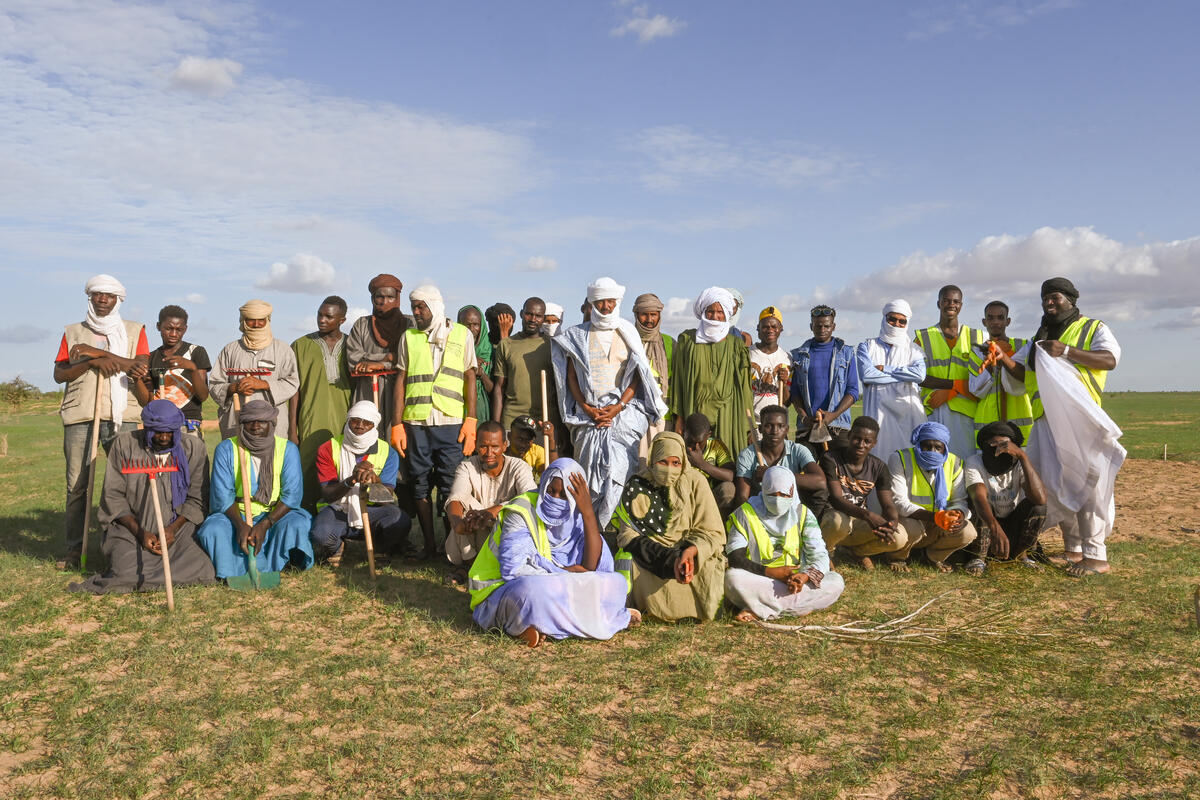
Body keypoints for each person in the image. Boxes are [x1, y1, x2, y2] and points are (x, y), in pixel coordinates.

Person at [1009, 277, 1122, 577]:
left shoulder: (1093, 328)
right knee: (1055, 483)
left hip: (1080, 421)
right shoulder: (1039, 337)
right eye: (1045, 298)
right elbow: (1020, 372)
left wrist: (1067, 351)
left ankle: (1096, 557)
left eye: (1055, 297)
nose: (1049, 302)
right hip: (1046, 421)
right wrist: (1001, 360)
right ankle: (1073, 548)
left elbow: (1109, 360)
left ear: (1071, 300)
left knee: (1088, 485)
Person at [469, 458, 637, 647]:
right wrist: (566, 574)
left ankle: (541, 625)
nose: (555, 499)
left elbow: (592, 568)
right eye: (551, 491)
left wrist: (588, 513)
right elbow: (513, 570)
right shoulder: (521, 511)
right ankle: (598, 617)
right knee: (532, 592)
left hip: (560, 586)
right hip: (502, 590)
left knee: (617, 583)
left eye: (564, 495)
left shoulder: (576, 514)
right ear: (543, 488)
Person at [550, 277, 665, 527]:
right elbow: (570, 377)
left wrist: (618, 407)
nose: (605, 307)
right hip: (588, 419)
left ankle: (622, 532)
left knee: (622, 473)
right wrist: (588, 408)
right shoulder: (576, 335)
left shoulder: (627, 331)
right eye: (600, 302)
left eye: (610, 301)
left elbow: (637, 375)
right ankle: (592, 532)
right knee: (589, 479)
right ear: (592, 302)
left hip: (623, 416)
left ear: (617, 302)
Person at [67, 400, 215, 594]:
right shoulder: (124, 445)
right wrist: (140, 532)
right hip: (131, 531)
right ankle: (135, 572)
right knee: (125, 573)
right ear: (146, 427)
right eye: (157, 432)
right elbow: (114, 497)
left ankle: (159, 570)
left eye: (169, 432)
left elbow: (197, 500)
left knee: (204, 568)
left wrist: (171, 530)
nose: (163, 437)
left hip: (177, 530)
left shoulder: (193, 448)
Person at [53, 274, 150, 569]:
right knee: (77, 487)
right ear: (91, 298)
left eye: (108, 295)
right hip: (81, 415)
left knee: (131, 484)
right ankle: (74, 550)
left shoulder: (135, 331)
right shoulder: (73, 332)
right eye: (97, 295)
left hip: (125, 417)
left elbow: (140, 368)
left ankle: (127, 547)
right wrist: (91, 363)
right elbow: (60, 374)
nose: (103, 300)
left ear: (118, 299)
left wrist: (96, 353)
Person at [390, 284, 478, 559]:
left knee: (451, 484)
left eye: (421, 307)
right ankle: (429, 546)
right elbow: (401, 380)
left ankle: (451, 546)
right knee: (419, 484)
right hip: (416, 423)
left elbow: (470, 378)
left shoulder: (462, 334)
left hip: (451, 423)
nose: (416, 313)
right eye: (414, 307)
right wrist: (396, 423)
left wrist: (471, 420)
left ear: (435, 306)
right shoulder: (409, 337)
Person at [610, 432, 726, 622]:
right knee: (627, 560)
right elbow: (627, 535)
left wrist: (690, 552)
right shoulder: (637, 485)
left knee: (711, 565)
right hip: (651, 557)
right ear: (652, 460)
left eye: (675, 463)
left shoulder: (696, 481)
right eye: (663, 462)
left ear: (683, 463)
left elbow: (713, 532)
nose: (669, 469)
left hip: (689, 554)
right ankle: (631, 610)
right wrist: (668, 559)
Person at [195, 400, 314, 579]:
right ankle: (231, 572)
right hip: (236, 513)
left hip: (274, 513)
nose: (255, 426)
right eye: (250, 421)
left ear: (272, 424)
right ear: (242, 424)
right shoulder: (227, 449)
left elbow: (292, 496)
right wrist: (241, 525)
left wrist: (265, 524)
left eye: (262, 421)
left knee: (297, 524)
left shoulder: (287, 450)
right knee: (212, 529)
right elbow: (223, 496)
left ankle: (275, 566)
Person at [724, 466, 844, 621]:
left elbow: (819, 554)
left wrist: (804, 577)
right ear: (763, 489)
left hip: (794, 584)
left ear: (792, 491)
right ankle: (799, 607)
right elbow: (736, 558)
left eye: (784, 494)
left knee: (835, 581)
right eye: (772, 494)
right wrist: (770, 572)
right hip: (760, 579)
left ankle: (759, 609)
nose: (778, 499)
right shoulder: (745, 513)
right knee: (732, 578)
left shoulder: (803, 513)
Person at [310, 401, 411, 567]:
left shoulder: (388, 452)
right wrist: (351, 480)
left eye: (367, 422)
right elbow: (328, 495)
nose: (360, 426)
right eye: (355, 420)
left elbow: (386, 499)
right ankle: (336, 547)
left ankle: (380, 547)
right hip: (339, 510)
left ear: (374, 426)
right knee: (321, 535)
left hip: (373, 511)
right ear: (348, 421)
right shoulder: (328, 448)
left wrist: (375, 481)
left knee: (400, 521)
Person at [445, 421, 537, 580]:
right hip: (475, 533)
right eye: (483, 446)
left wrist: (494, 511)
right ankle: (472, 566)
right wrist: (457, 523)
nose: (489, 453)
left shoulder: (519, 467)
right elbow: (457, 497)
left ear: (504, 445)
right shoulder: (467, 466)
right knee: (461, 508)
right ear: (475, 446)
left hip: (504, 534)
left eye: (494, 446)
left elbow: (530, 498)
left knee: (521, 507)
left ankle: (477, 570)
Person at [670, 287, 753, 457]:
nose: (715, 317)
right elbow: (679, 382)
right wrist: (679, 418)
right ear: (702, 312)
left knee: (727, 462)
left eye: (720, 312)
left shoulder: (736, 346)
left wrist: (748, 427)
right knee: (696, 461)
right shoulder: (688, 342)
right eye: (710, 311)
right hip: (695, 410)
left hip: (728, 414)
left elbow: (745, 388)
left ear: (728, 314)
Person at [818, 416, 910, 571]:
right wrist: (869, 515)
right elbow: (837, 499)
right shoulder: (831, 458)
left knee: (899, 537)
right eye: (856, 438)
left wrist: (892, 522)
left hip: (858, 521)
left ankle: (857, 553)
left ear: (874, 443)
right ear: (849, 436)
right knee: (837, 521)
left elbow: (888, 504)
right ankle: (824, 553)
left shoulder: (879, 467)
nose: (861, 444)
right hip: (833, 517)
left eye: (867, 441)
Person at [289, 296, 353, 511]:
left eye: (329, 316)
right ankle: (307, 523)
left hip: (345, 421)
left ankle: (341, 526)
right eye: (320, 314)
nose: (322, 320)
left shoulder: (353, 344)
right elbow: (294, 391)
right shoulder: (300, 346)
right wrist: (292, 430)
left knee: (341, 469)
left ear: (342, 319)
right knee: (307, 471)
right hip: (310, 420)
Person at [887, 421, 977, 572]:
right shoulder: (900, 458)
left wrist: (957, 515)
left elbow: (959, 500)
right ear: (918, 444)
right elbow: (899, 502)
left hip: (940, 520)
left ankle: (932, 557)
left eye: (938, 447)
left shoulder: (954, 462)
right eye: (927, 446)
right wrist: (936, 517)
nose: (932, 451)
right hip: (911, 520)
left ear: (945, 449)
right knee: (911, 528)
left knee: (968, 531)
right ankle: (898, 557)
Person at [963, 421, 1047, 576]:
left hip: (1010, 526)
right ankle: (978, 558)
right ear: (984, 446)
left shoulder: (1018, 463)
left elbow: (1040, 498)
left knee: (1037, 507)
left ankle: (1020, 555)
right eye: (993, 444)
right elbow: (978, 495)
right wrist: (995, 529)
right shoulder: (974, 462)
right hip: (986, 527)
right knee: (979, 503)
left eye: (1004, 444)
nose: (998, 449)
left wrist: (1023, 456)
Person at [209, 299, 300, 440]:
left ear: (268, 320)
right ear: (243, 321)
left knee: (272, 460)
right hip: (237, 422)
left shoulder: (283, 349)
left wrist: (264, 384)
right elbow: (215, 384)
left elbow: (292, 382)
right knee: (238, 460)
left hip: (272, 423)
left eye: (261, 320)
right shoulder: (230, 350)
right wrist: (234, 387)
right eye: (251, 320)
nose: (256, 324)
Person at [915, 285, 985, 459]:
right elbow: (918, 376)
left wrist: (953, 390)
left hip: (966, 412)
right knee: (933, 462)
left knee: (964, 463)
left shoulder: (979, 337)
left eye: (955, 301)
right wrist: (953, 386)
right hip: (932, 409)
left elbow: (984, 379)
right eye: (946, 300)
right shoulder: (922, 337)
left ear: (961, 305)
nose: (950, 305)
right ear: (938, 303)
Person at [857, 300, 926, 462]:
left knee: (907, 464)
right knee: (877, 461)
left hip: (908, 417)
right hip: (877, 414)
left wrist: (885, 369)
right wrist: (904, 375)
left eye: (902, 321)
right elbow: (867, 374)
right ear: (884, 318)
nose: (896, 324)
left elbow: (919, 375)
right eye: (892, 319)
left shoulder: (914, 350)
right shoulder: (867, 346)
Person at [789, 304, 859, 459]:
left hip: (837, 427)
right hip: (807, 427)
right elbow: (795, 393)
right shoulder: (799, 355)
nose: (822, 329)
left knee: (837, 475)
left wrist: (833, 415)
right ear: (811, 326)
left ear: (833, 326)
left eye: (827, 326)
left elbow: (853, 391)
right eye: (818, 326)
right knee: (806, 474)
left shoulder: (846, 353)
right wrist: (804, 417)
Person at [345, 274, 410, 441]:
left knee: (398, 438)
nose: (384, 302)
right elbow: (354, 359)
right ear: (373, 298)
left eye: (390, 297)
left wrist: (380, 365)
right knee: (366, 436)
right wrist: (389, 357)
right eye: (380, 297)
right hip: (368, 390)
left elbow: (412, 359)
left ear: (397, 299)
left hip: (401, 389)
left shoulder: (409, 325)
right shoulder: (362, 325)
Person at [131, 305, 211, 437]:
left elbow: (203, 396)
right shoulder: (151, 358)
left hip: (188, 423)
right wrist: (137, 379)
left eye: (179, 329)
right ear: (158, 326)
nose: (174, 334)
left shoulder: (196, 352)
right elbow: (145, 401)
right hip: (160, 424)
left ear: (185, 329)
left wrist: (191, 367)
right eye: (168, 329)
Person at [733, 405, 827, 517]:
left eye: (780, 426)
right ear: (760, 429)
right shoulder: (747, 455)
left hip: (790, 508)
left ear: (787, 429)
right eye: (768, 426)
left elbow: (820, 481)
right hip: (760, 510)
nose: (775, 431)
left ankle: (807, 528)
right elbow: (742, 497)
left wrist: (772, 474)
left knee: (821, 492)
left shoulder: (798, 450)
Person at [492, 297, 559, 440]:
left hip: (544, 422)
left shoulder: (552, 346)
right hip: (512, 421)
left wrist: (558, 426)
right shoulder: (506, 345)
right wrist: (496, 425)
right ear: (522, 314)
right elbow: (499, 387)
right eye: (529, 314)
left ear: (543, 318)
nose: (533, 319)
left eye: (538, 316)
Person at [968, 300, 1033, 445]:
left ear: (1008, 321)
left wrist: (1005, 354)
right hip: (988, 424)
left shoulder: (1023, 346)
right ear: (984, 322)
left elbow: (1027, 379)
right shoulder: (977, 352)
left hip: (1021, 425)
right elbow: (975, 390)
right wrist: (991, 361)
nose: (995, 322)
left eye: (1000, 317)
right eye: (990, 318)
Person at [632, 293, 675, 462]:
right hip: (635, 416)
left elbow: (677, 382)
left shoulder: (670, 343)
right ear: (636, 314)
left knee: (662, 464)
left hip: (664, 417)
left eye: (653, 314)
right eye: (644, 314)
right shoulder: (628, 339)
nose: (649, 319)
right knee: (640, 464)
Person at [682, 412, 736, 515]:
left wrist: (701, 464)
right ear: (685, 433)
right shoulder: (677, 445)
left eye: (700, 442)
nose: (695, 446)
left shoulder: (715, 445)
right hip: (685, 496)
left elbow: (731, 476)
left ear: (708, 435)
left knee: (728, 489)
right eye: (691, 441)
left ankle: (723, 528)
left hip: (710, 498)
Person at [749, 306, 791, 422]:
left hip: (777, 424)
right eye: (765, 327)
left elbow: (787, 402)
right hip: (752, 421)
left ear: (781, 329)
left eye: (774, 327)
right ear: (758, 328)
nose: (770, 330)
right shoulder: (747, 355)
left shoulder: (787, 359)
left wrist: (784, 382)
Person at [457, 305, 493, 425]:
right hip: (458, 408)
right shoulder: (452, 350)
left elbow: (494, 390)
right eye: (467, 325)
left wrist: (481, 373)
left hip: (482, 411)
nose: (471, 329)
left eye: (476, 324)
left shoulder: (489, 352)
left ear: (482, 326)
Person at [507, 414, 558, 481]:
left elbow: (551, 474)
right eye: (520, 439)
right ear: (509, 436)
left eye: (528, 440)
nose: (523, 445)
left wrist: (551, 439)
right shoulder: (501, 453)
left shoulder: (536, 451)